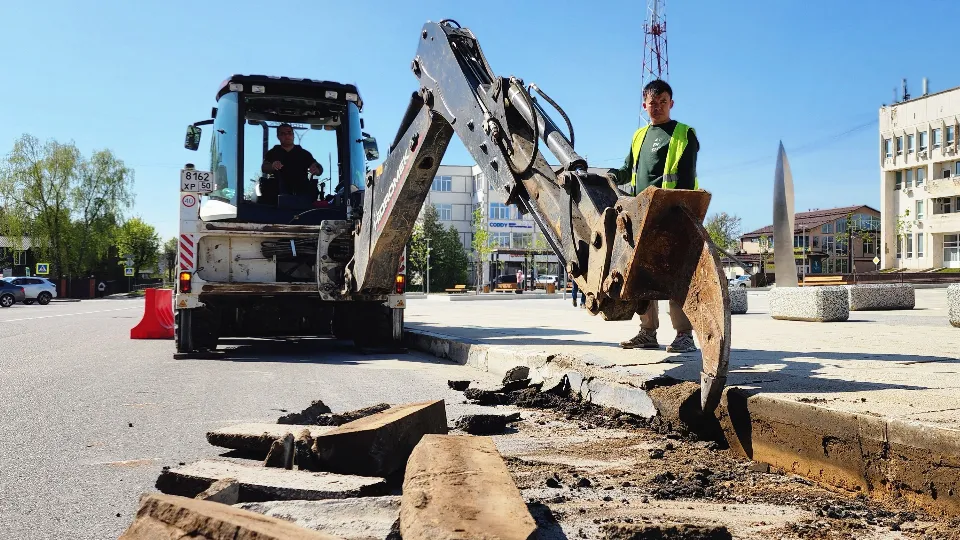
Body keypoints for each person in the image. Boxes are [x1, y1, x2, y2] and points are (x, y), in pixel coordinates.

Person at [612, 79, 700, 353]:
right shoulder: (639, 136)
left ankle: (684, 334)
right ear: (644, 105)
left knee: (676, 276)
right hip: (642, 214)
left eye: (663, 102)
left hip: (673, 213)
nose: (657, 107)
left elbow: (685, 177)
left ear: (671, 103)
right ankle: (647, 331)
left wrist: (680, 210)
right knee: (640, 274)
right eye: (652, 103)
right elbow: (629, 169)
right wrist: (613, 175)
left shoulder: (684, 134)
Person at [261, 123, 323, 198]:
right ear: (278, 137)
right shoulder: (273, 152)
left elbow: (318, 168)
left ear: (293, 135)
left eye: (289, 133)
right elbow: (264, 167)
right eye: (283, 134)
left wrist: (317, 169)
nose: (287, 136)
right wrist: (272, 166)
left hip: (301, 193)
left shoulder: (304, 154)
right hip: (277, 194)